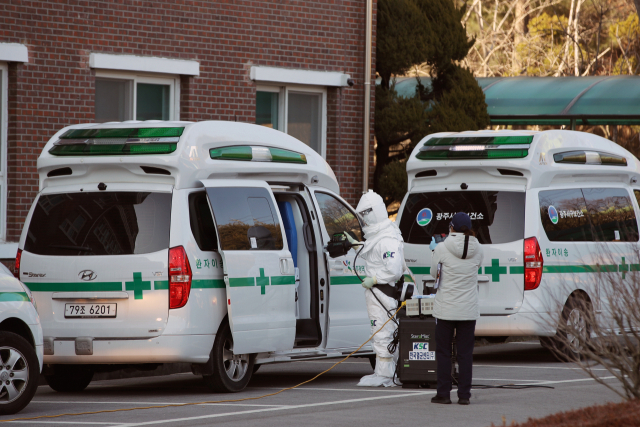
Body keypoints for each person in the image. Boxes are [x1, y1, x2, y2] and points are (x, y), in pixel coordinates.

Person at [346, 190, 404, 387]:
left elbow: (393, 270)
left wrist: (374, 279)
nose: (364, 220)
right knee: (379, 329)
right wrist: (357, 247)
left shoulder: (387, 238)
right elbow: (374, 257)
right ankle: (382, 370)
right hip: (377, 292)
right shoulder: (379, 236)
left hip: (383, 292)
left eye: (365, 215)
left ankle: (387, 374)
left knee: (383, 331)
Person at [430, 212, 483, 405]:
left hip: (446, 309)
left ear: (451, 227)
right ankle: (464, 396)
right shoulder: (479, 249)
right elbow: (478, 267)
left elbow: (432, 273)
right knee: (465, 354)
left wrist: (434, 252)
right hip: (468, 309)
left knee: (444, 352)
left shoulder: (441, 247)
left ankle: (443, 394)